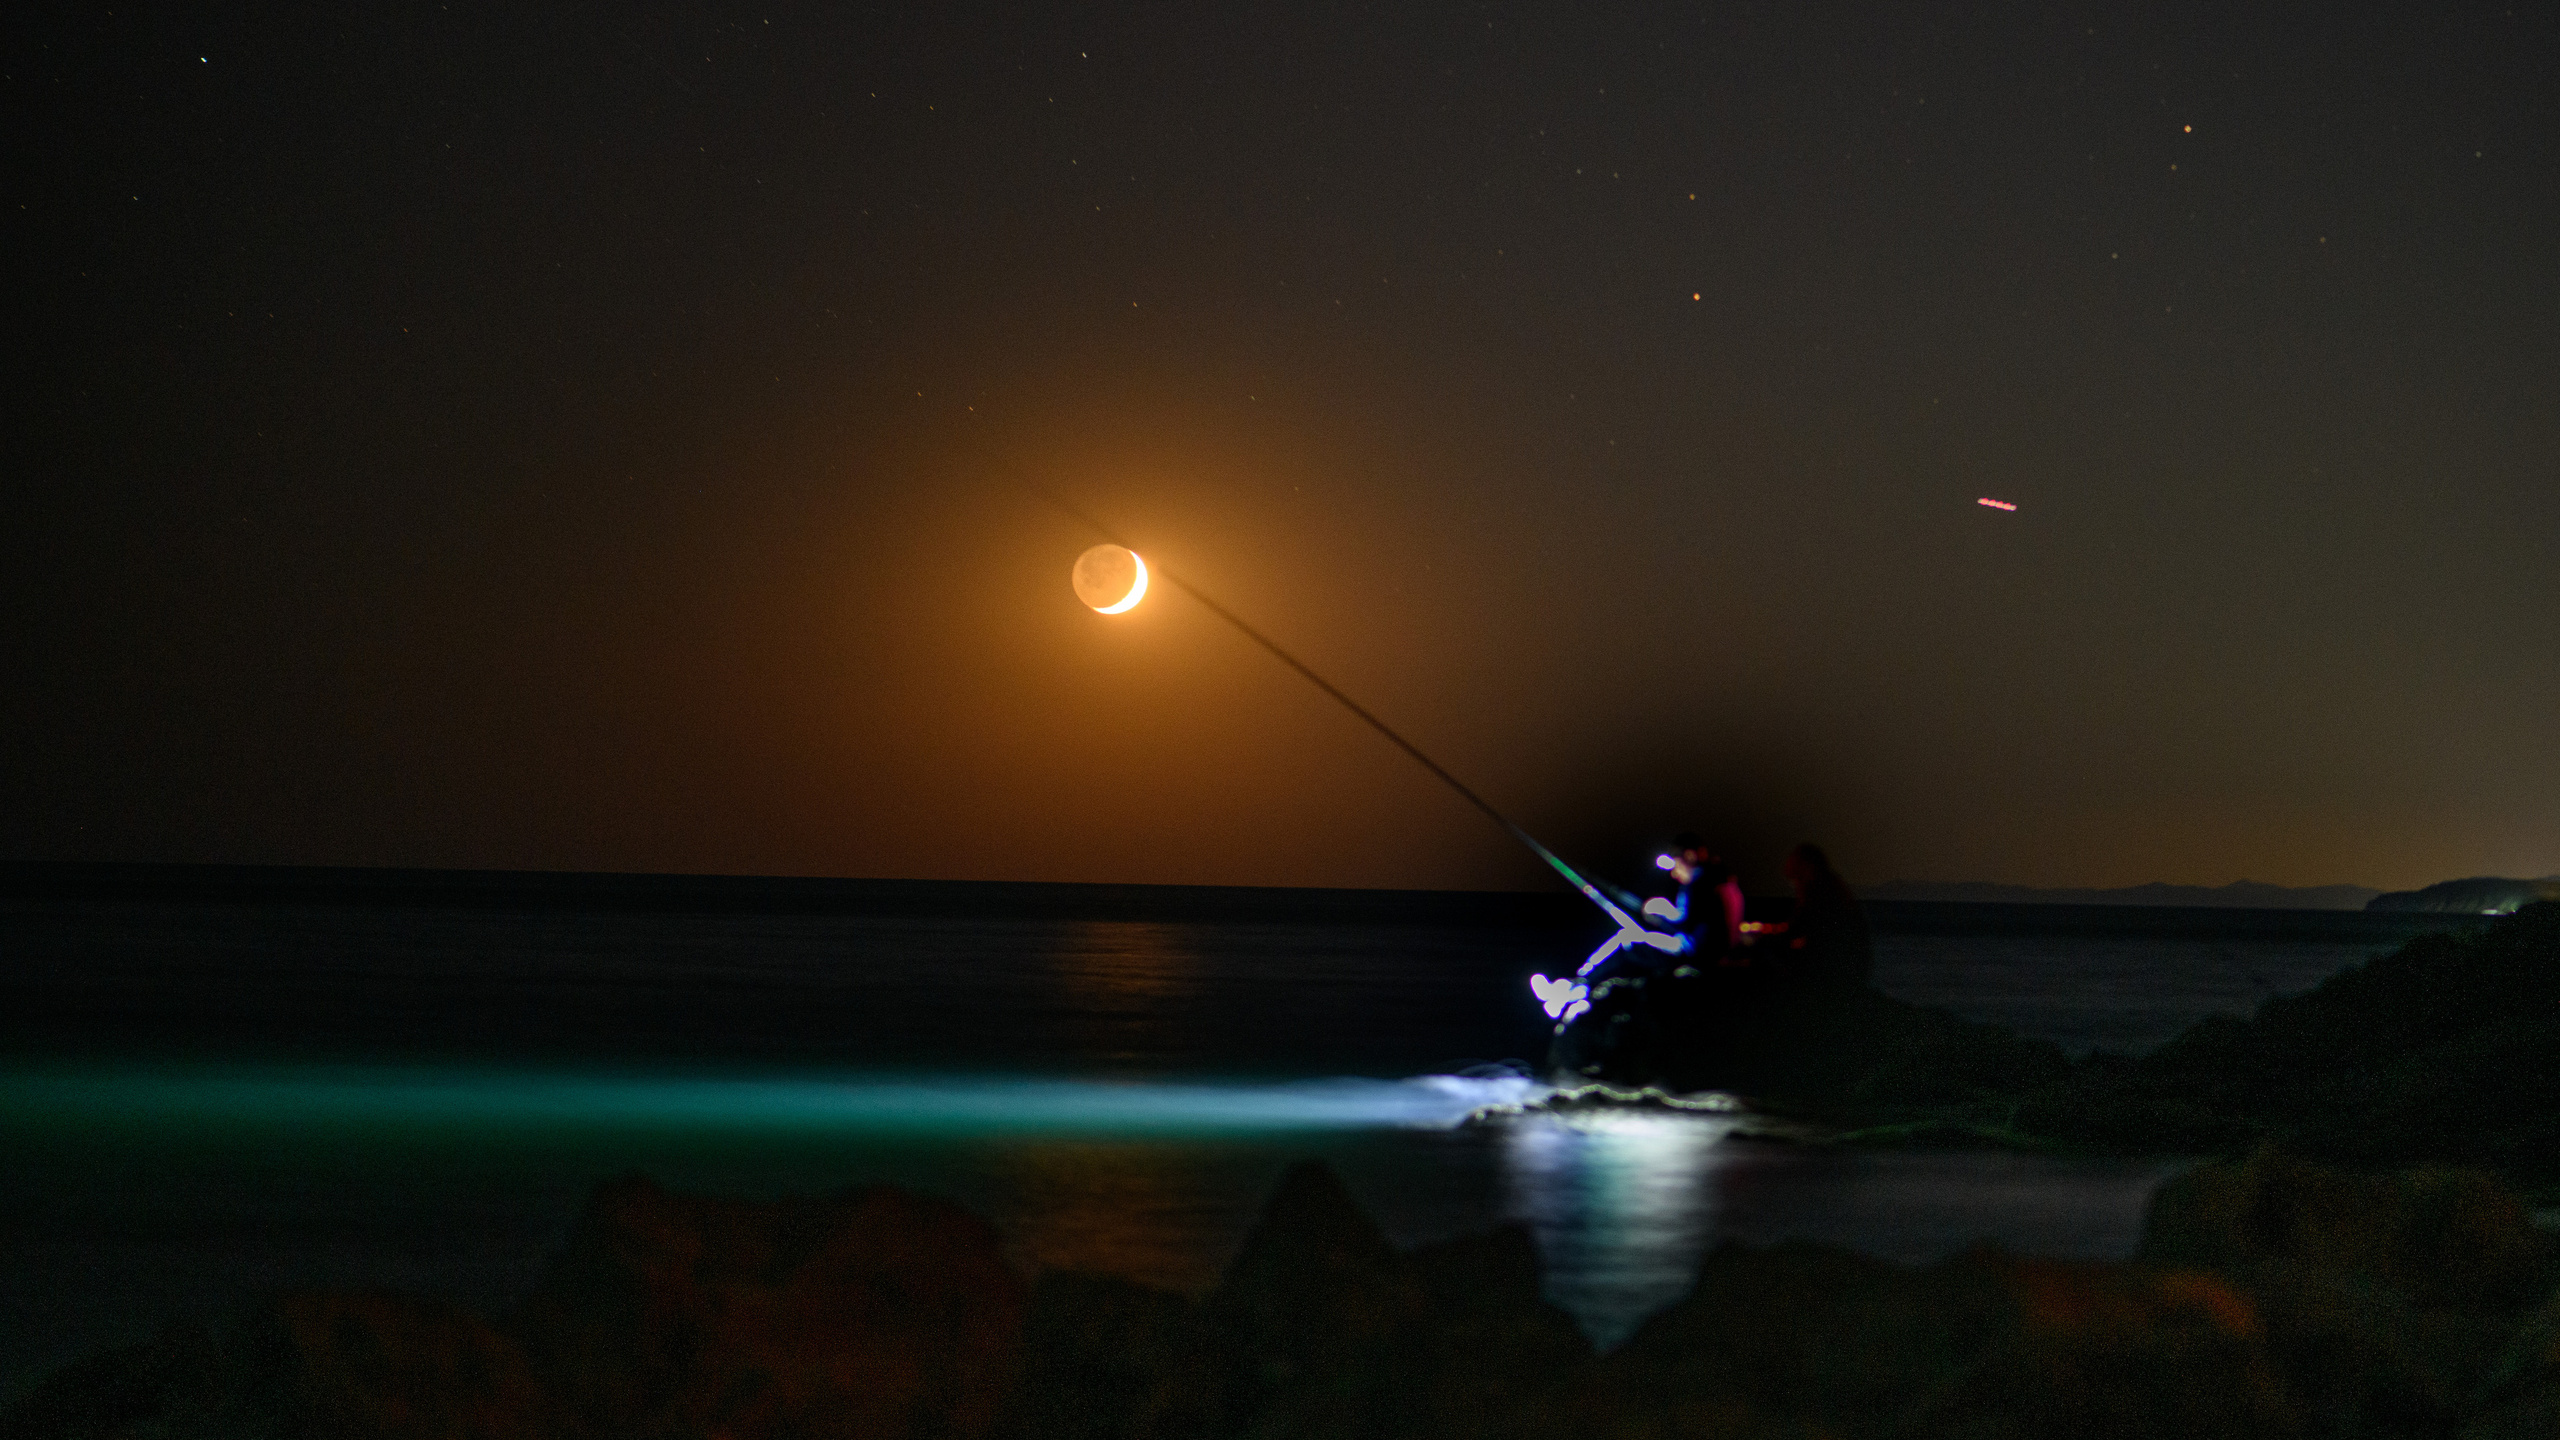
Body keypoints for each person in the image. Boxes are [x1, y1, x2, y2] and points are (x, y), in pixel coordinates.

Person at [1782, 842, 1872, 989]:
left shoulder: (1821, 893)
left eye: (1796, 878)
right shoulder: (1833, 888)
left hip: (1837, 975)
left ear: (1807, 869)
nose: (1795, 885)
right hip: (1852, 971)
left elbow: (1799, 928)